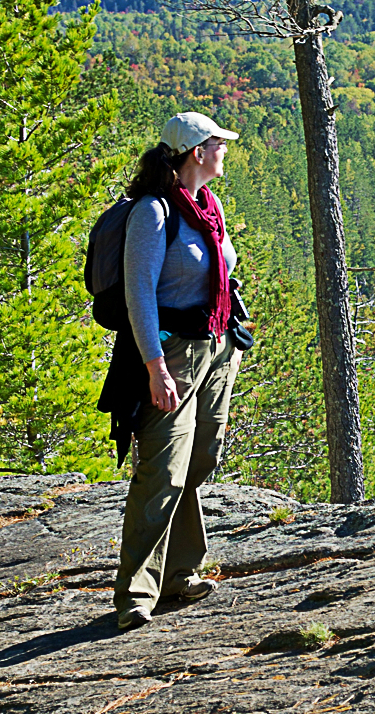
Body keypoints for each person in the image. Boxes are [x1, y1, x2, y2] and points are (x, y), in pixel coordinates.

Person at [110, 111, 242, 631]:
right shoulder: (153, 213)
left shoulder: (209, 206)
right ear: (196, 153)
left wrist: (232, 340)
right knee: (162, 472)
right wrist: (154, 368)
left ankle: (179, 575)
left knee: (199, 462)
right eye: (218, 143)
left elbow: (222, 272)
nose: (225, 150)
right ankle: (136, 596)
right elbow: (138, 294)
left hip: (215, 352)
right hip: (171, 358)